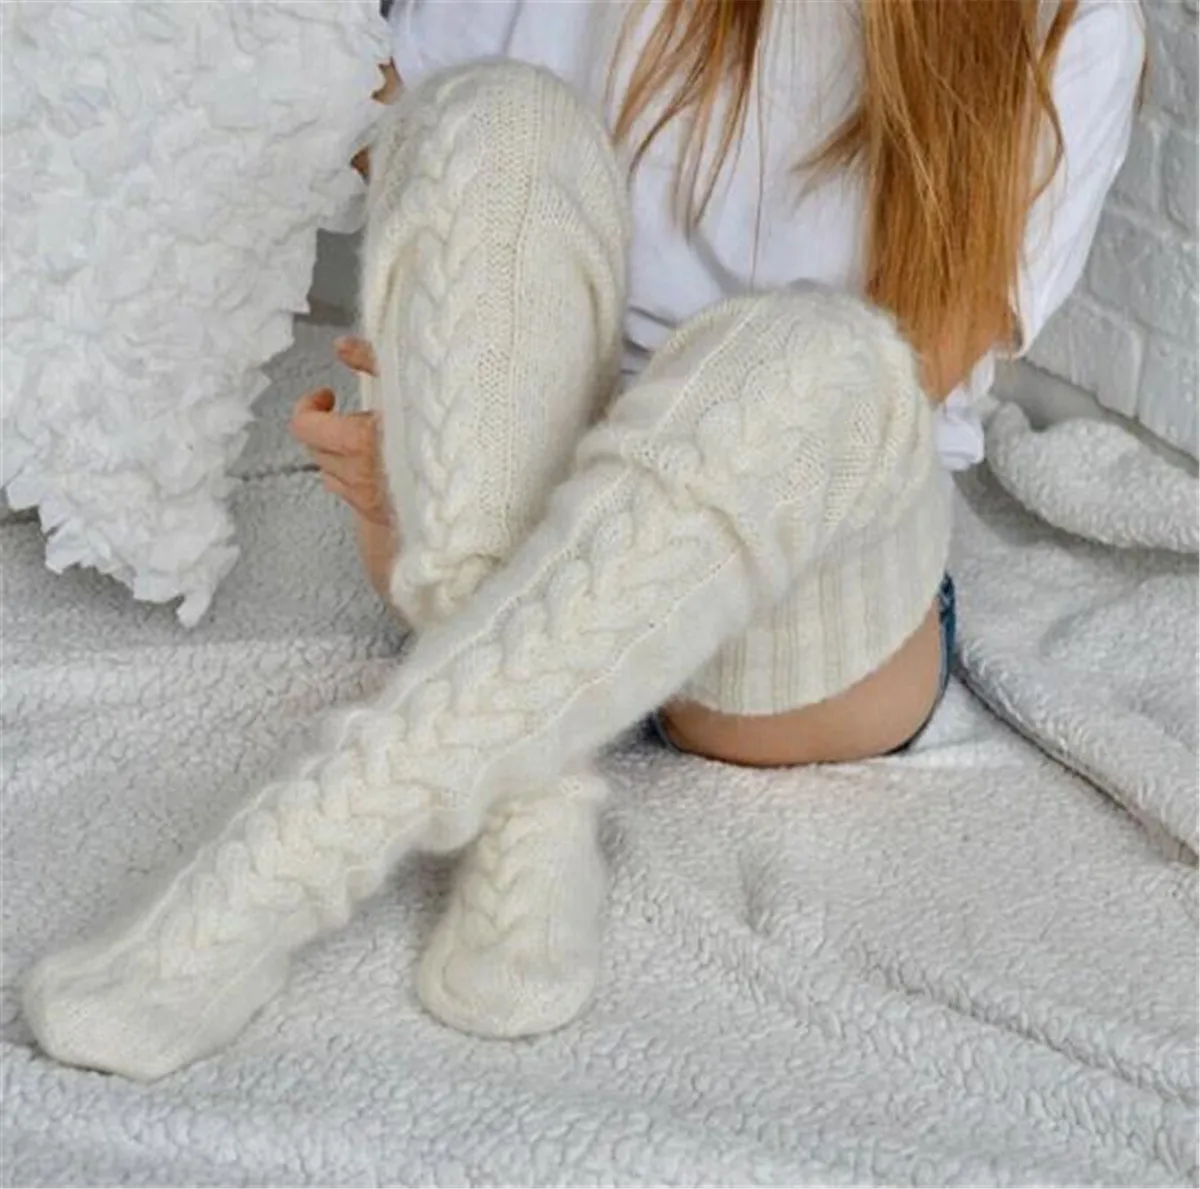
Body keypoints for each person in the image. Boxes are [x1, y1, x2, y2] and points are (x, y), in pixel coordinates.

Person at [24, 0, 1143, 1080]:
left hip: (795, 618)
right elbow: (387, 136)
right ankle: (529, 800)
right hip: (514, 535)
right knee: (485, 117)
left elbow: (915, 376)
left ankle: (291, 857)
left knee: (829, 356)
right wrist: (428, 390)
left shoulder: (1069, 22)